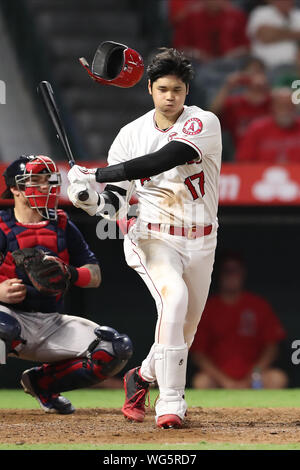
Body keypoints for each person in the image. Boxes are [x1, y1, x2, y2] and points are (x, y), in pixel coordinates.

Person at [67, 47, 222, 429]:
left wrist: (96, 175)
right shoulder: (129, 135)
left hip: (202, 239)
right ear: (149, 88)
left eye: (179, 90)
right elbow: (118, 202)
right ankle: (171, 402)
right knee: (175, 300)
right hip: (152, 236)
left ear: (188, 93)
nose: (171, 96)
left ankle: (143, 376)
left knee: (184, 332)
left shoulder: (203, 122)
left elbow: (163, 159)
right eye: (164, 88)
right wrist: (89, 200)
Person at [0, 154, 132, 414]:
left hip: (51, 322)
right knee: (3, 327)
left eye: (48, 181)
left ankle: (42, 384)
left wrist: (69, 272)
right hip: (9, 316)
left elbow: (94, 275)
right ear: (15, 188)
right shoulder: (2, 226)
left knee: (114, 348)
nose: (44, 187)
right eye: (34, 181)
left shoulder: (62, 223)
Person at [189, 252, 288, 389]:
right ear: (219, 275)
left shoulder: (257, 305)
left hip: (254, 377)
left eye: (236, 271)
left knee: (277, 378)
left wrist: (253, 375)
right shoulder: (208, 307)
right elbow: (198, 353)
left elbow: (272, 347)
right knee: (201, 381)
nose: (231, 276)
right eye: (227, 271)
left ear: (243, 273)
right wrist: (225, 381)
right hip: (218, 378)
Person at [210, 57, 271, 148]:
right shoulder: (235, 103)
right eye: (252, 72)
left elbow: (289, 107)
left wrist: (266, 87)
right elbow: (212, 113)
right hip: (241, 151)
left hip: (268, 148)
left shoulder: (271, 101)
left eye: (259, 72)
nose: (255, 77)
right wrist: (228, 86)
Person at [171, 0, 249, 64]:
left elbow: (246, 47)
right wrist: (197, 54)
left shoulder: (237, 16)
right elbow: (179, 48)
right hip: (198, 65)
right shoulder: (190, 17)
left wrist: (233, 54)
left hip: (231, 63)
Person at [235, 87, 300, 162]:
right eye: (280, 106)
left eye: (289, 106)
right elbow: (243, 160)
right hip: (259, 173)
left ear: (295, 108)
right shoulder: (257, 128)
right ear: (273, 107)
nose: (285, 110)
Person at [247, 0, 300, 68]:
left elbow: (270, 34)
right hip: (267, 66)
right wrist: (295, 34)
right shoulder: (261, 12)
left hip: (295, 66)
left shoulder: (297, 14)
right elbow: (265, 36)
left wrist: (276, 33)